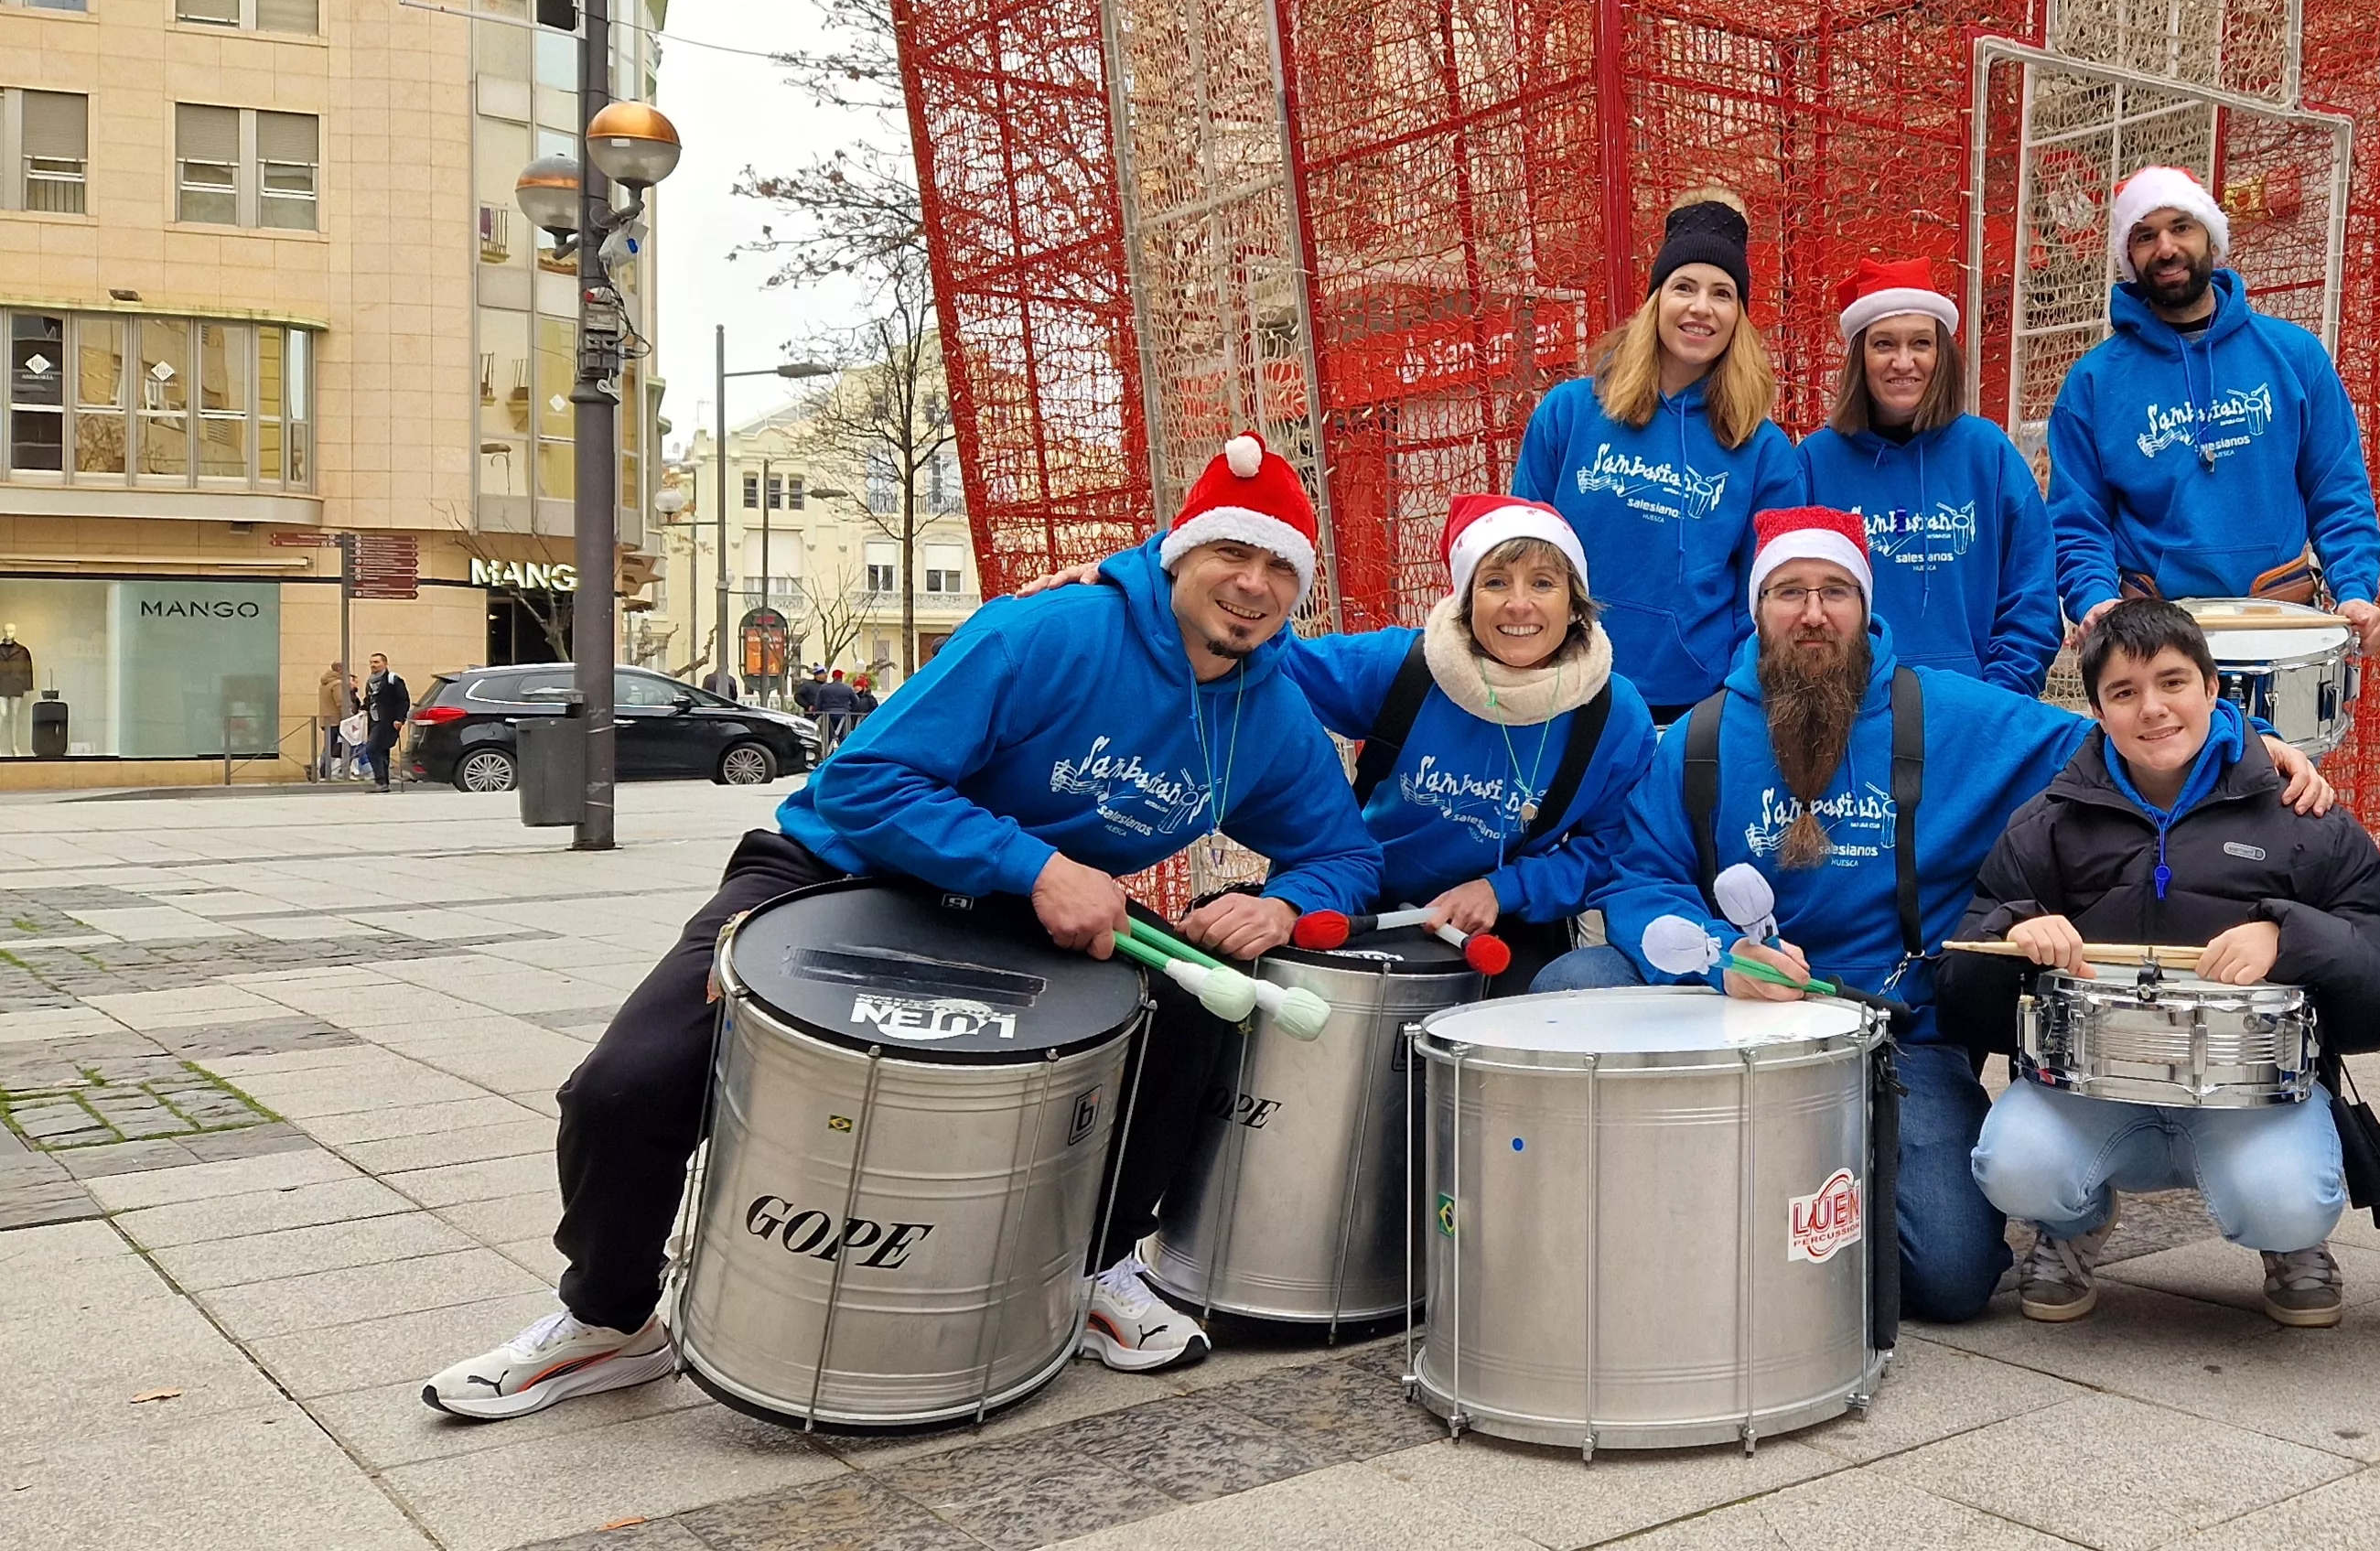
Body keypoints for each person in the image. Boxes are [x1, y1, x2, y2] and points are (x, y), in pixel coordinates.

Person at [421, 437, 1385, 1422]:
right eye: (1232, 554)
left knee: (1191, 1014)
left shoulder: (1267, 712)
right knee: (627, 1083)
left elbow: (1348, 856)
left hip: (1019, 904)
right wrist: (1041, 867)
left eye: (1279, 569)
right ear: (1180, 556)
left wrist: (1279, 904)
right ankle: (608, 1322)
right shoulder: (1049, 632)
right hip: (839, 864)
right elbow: (862, 781)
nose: (1252, 585)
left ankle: (1094, 1271)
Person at [1561, 508, 2339, 1321]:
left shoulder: (1949, 715)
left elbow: (2116, 733)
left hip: (1897, 1029)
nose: (1814, 612)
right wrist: (1722, 955)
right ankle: (1627, 1221)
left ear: (1865, 605)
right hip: (1735, 1015)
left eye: (1836, 591)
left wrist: (2241, 738)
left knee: (1950, 1280)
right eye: (1789, 591)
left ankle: (1820, 1195)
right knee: (1577, 979)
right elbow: (1638, 881)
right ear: (1757, 609)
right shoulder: (1700, 738)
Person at [1937, 599, 2380, 1328]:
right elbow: (1961, 1000)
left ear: (2212, 688)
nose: (2153, 709)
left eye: (2173, 683)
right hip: (2093, 1087)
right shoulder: (2046, 823)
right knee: (2016, 1162)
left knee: (2287, 1199)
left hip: (2251, 1089)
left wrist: (2287, 936)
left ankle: (2286, 1241)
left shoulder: (2302, 813)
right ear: (2097, 710)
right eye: (2124, 693)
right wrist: (2013, 936)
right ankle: (2068, 1228)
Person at [1010, 496, 1653, 990]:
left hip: (1506, 916)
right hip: (1354, 899)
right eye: (1495, 583)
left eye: (1543, 584)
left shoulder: (1612, 714)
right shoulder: (1404, 667)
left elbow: (1612, 849)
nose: (1519, 606)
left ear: (1576, 603)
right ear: (1463, 600)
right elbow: (1259, 645)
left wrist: (1505, 890)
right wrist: (1137, 589)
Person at [2046, 167, 2380, 648]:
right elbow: (2077, 519)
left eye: (2181, 227)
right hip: (2152, 634)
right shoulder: (2093, 382)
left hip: (2279, 623)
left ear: (2212, 238)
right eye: (2145, 236)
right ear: (2130, 255)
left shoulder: (2295, 355)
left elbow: (2339, 489)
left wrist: (2353, 589)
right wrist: (2093, 597)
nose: (2165, 248)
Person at [1513, 189, 1811, 724]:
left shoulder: (1762, 449)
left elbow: (1769, 590)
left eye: (1722, 293)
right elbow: (1519, 549)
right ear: (1656, 300)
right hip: (1564, 683)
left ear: (1739, 316)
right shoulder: (1570, 413)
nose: (1701, 308)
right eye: (1684, 287)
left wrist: (1735, 700)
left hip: (1690, 707)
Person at [1800, 258, 2056, 695]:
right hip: (1853, 716)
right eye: (1884, 344)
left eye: (1921, 343)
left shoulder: (1986, 452)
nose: (1904, 362)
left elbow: (2031, 591)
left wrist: (1997, 698)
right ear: (1860, 358)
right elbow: (1797, 603)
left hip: (1977, 710)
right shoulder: (1814, 463)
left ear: (1942, 354)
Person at [361, 654, 410, 792]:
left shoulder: (392, 680)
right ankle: (384, 783)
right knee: (382, 750)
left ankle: (380, 780)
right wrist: (362, 708)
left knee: (371, 748)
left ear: (385, 663)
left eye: (376, 662)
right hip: (374, 720)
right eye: (371, 662)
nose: (373, 665)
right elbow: (370, 699)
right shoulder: (370, 681)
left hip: (388, 721)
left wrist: (400, 719)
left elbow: (403, 700)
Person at [314, 661, 354, 781]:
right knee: (346, 745)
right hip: (337, 720)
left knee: (328, 746)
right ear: (341, 669)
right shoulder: (338, 684)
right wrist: (348, 717)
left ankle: (324, 772)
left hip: (326, 720)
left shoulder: (325, 683)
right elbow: (341, 702)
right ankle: (339, 771)